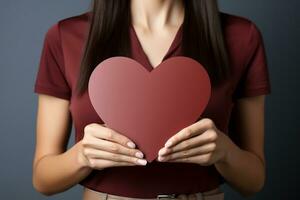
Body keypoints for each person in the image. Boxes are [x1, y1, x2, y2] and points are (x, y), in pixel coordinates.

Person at [32, 0, 271, 200]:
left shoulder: (241, 36)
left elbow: (254, 181)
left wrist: (225, 152)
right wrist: (81, 156)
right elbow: (43, 179)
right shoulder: (65, 37)